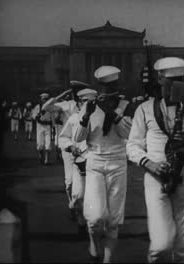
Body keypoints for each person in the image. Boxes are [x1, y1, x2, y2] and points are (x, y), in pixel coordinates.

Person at [127, 57, 184, 263]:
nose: (174, 86)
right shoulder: (145, 108)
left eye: (179, 81)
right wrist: (149, 164)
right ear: (160, 80)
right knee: (161, 246)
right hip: (156, 179)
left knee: (183, 249)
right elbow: (132, 145)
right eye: (170, 82)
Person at [74, 65, 132, 263]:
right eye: (105, 88)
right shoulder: (89, 106)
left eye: (113, 87)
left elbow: (127, 134)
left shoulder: (125, 105)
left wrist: (114, 113)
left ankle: (107, 260)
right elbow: (77, 137)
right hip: (96, 161)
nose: (108, 92)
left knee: (114, 219)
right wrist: (86, 116)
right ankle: (92, 241)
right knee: (96, 217)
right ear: (99, 87)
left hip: (117, 161)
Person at [44, 81, 90, 218]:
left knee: (85, 181)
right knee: (69, 181)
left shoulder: (88, 105)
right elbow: (46, 106)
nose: (77, 94)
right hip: (68, 145)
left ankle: (83, 210)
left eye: (79, 91)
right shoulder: (67, 105)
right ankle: (72, 203)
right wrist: (61, 95)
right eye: (74, 91)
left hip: (85, 147)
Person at [59, 88, 98, 235]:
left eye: (91, 102)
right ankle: (81, 219)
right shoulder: (74, 118)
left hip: (96, 164)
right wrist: (70, 146)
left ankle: (93, 227)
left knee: (96, 197)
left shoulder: (101, 118)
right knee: (77, 197)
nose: (87, 105)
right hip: (78, 163)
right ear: (79, 103)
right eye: (84, 101)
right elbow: (63, 137)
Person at [32, 93, 53, 165]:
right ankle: (41, 156)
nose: (44, 100)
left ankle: (46, 160)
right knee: (40, 143)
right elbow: (34, 116)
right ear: (41, 99)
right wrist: (40, 114)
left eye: (46, 99)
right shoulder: (38, 107)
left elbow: (52, 117)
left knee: (48, 143)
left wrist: (52, 125)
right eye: (43, 99)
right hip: (40, 126)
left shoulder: (50, 107)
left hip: (47, 126)